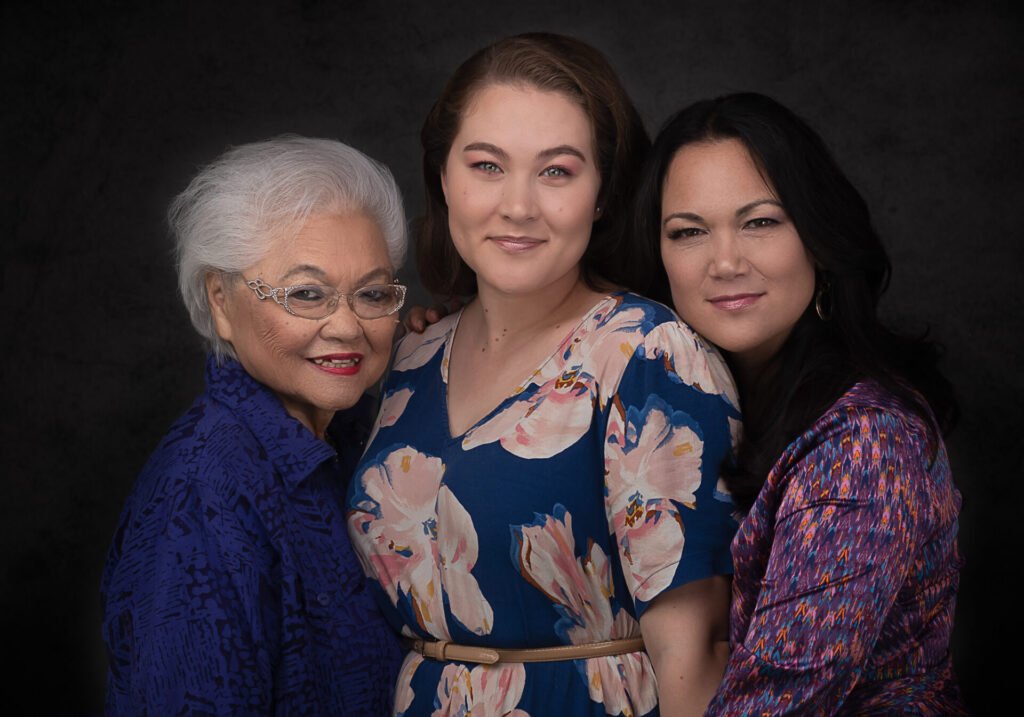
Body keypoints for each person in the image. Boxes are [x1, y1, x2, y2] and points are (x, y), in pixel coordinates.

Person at [345, 34, 740, 717]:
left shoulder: (649, 356)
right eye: (487, 166)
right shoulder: (409, 357)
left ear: (602, 194)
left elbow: (695, 656)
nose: (518, 205)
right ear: (444, 178)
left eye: (556, 171)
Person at [634, 92, 966, 715]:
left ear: (817, 237)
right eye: (689, 232)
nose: (725, 262)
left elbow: (777, 701)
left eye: (760, 222)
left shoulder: (864, 443)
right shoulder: (694, 404)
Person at [101, 136, 407, 714]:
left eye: (372, 294)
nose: (347, 327)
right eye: (307, 294)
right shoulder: (203, 490)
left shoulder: (359, 439)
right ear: (221, 300)